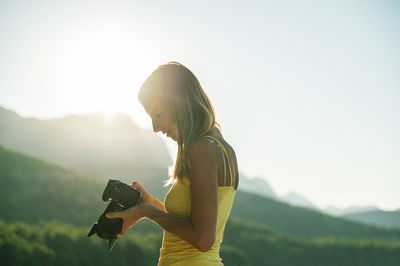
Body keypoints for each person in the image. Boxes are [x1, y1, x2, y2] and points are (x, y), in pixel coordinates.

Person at [106, 62, 239, 265]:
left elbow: (202, 239)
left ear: (180, 102)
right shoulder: (221, 148)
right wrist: (151, 204)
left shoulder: (202, 148)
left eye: (158, 115)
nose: (155, 127)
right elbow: (191, 226)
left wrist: (146, 212)